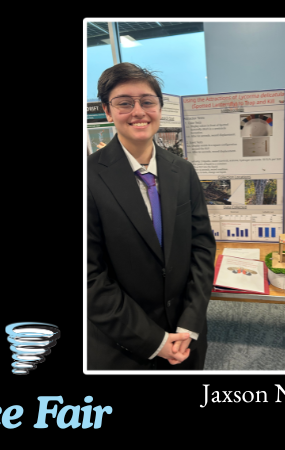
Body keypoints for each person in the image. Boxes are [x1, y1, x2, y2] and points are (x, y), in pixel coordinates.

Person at [87, 63, 216, 370]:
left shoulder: (182, 171)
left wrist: (190, 322)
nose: (138, 112)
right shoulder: (88, 178)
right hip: (123, 341)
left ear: (159, 107)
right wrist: (153, 340)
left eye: (147, 101)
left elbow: (202, 247)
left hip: (186, 335)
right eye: (124, 103)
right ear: (107, 111)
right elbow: (89, 276)